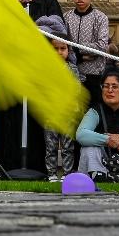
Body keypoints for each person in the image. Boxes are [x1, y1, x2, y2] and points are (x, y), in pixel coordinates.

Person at [0, 0, 64, 176]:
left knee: (36, 119)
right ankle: (7, 166)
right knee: (9, 118)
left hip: (37, 73)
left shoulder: (47, 2)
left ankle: (38, 167)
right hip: (10, 72)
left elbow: (59, 35)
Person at [35, 15, 80, 182]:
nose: (59, 52)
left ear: (68, 50)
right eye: (56, 48)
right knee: (51, 146)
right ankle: (52, 174)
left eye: (63, 49)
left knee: (68, 146)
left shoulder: (73, 69)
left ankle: (68, 174)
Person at [63, 0, 110, 95]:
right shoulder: (66, 17)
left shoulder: (101, 18)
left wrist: (77, 51)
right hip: (70, 75)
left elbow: (102, 46)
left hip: (94, 76)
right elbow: (63, 45)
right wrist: (85, 55)